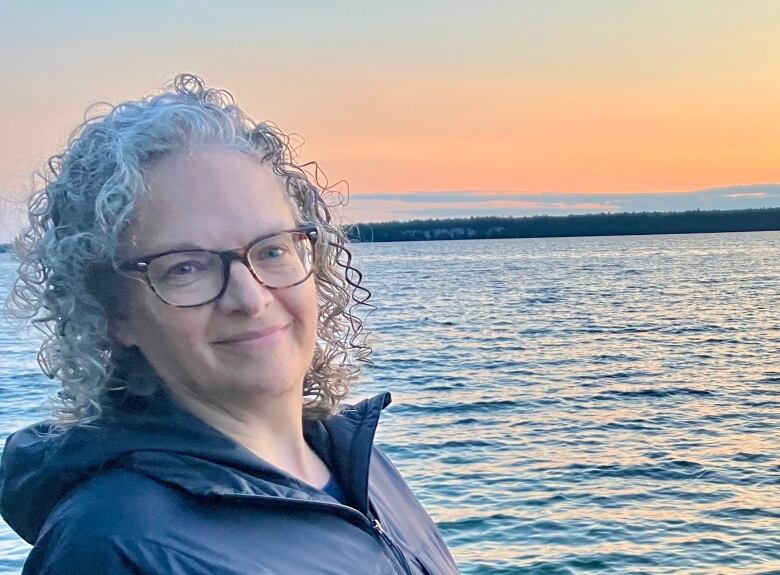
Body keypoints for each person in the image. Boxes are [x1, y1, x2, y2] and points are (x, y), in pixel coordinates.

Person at [0, 74, 460, 574]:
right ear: (113, 313)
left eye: (272, 250)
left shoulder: (359, 465)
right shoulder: (113, 544)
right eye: (185, 267)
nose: (250, 297)